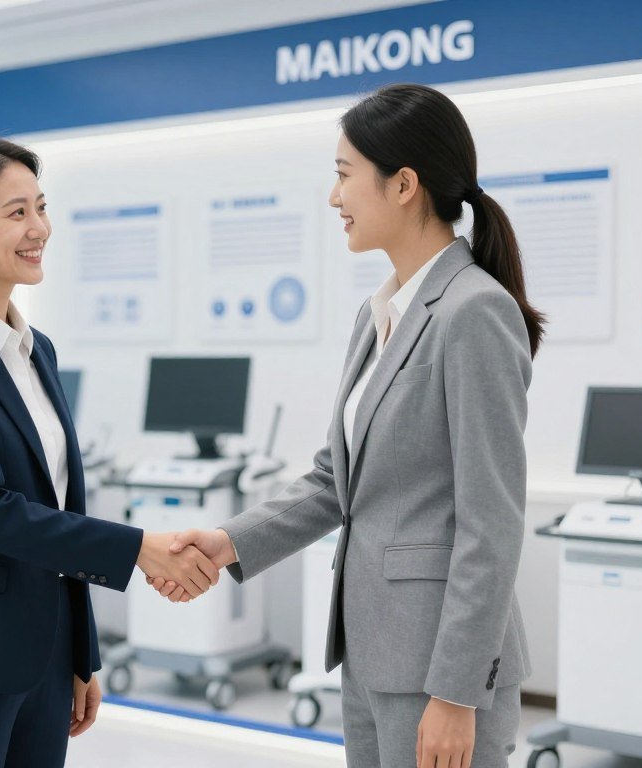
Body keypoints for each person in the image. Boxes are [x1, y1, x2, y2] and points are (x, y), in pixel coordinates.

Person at [151, 83, 545, 768]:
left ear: (403, 185)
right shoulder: (379, 315)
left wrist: (456, 694)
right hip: (372, 656)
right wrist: (225, 543)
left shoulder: (473, 312)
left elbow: (492, 521)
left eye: (342, 175)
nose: (334, 198)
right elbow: (339, 482)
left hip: (439, 672)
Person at [0, 136, 219, 768]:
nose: (40, 228)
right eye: (16, 213)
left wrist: (79, 652)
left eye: (41, 207)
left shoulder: (38, 351)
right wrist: (138, 548)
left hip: (43, 658)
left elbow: (59, 502)